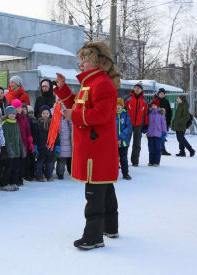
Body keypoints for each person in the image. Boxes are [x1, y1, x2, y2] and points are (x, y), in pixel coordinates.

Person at [54, 41, 120, 250]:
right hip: (95, 146)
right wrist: (63, 89)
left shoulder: (102, 84)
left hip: (96, 148)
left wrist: (73, 115)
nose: (81, 63)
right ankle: (110, 227)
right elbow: (78, 104)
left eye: (85, 59)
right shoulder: (92, 83)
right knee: (105, 187)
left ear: (96, 62)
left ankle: (93, 236)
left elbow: (101, 114)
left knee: (94, 193)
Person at [0, 105, 25, 191]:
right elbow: (5, 138)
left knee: (16, 167)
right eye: (10, 113)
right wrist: (9, 149)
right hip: (9, 152)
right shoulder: (5, 124)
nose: (12, 115)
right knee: (8, 168)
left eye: (14, 113)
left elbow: (19, 138)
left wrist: (22, 149)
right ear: (7, 114)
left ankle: (13, 182)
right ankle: (4, 183)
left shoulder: (16, 123)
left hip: (17, 151)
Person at [32, 105, 59, 182]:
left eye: (47, 113)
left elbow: (56, 136)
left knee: (50, 162)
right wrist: (35, 146)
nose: (45, 115)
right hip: (41, 147)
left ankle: (49, 175)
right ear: (41, 114)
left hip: (50, 147)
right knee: (40, 162)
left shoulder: (53, 124)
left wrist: (57, 146)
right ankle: (39, 176)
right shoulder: (37, 123)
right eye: (44, 113)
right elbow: (35, 136)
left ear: (49, 114)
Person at [125, 82, 149, 167]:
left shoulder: (144, 100)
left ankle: (135, 161)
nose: (136, 89)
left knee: (137, 144)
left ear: (141, 90)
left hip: (139, 125)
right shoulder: (127, 98)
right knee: (125, 143)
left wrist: (146, 125)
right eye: (135, 88)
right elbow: (122, 111)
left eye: (138, 88)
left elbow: (146, 114)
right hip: (128, 124)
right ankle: (122, 160)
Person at [11, 99, 34, 184]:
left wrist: (30, 142)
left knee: (22, 163)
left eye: (20, 107)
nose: (19, 109)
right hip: (15, 144)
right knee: (15, 164)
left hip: (24, 143)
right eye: (16, 108)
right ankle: (14, 179)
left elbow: (28, 130)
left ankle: (20, 178)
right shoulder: (13, 118)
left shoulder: (25, 118)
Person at [146, 98, 167, 166]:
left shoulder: (160, 113)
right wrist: (145, 129)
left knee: (158, 148)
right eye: (152, 105)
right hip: (150, 134)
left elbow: (163, 123)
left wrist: (164, 132)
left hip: (158, 134)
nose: (153, 106)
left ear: (157, 106)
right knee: (151, 148)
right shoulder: (149, 113)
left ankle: (156, 162)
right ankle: (151, 161)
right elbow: (147, 122)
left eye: (155, 105)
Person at [116, 98, 132, 180]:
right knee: (113, 159)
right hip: (113, 142)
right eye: (116, 104)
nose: (118, 106)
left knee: (123, 158)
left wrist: (121, 138)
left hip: (124, 142)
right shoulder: (111, 114)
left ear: (122, 106)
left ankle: (125, 173)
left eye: (119, 105)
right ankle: (113, 174)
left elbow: (129, 127)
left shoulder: (126, 115)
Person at [154, 88, 172, 156]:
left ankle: (163, 150)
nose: (162, 94)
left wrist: (168, 121)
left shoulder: (166, 101)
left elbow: (169, 112)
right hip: (157, 123)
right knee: (157, 137)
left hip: (164, 122)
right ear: (158, 94)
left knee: (163, 137)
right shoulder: (155, 101)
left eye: (163, 93)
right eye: (160, 93)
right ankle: (157, 150)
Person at [56, 115, 72, 180]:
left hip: (61, 141)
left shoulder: (54, 114)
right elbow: (72, 126)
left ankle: (60, 174)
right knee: (65, 159)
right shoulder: (67, 115)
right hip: (67, 140)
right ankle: (68, 172)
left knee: (61, 159)